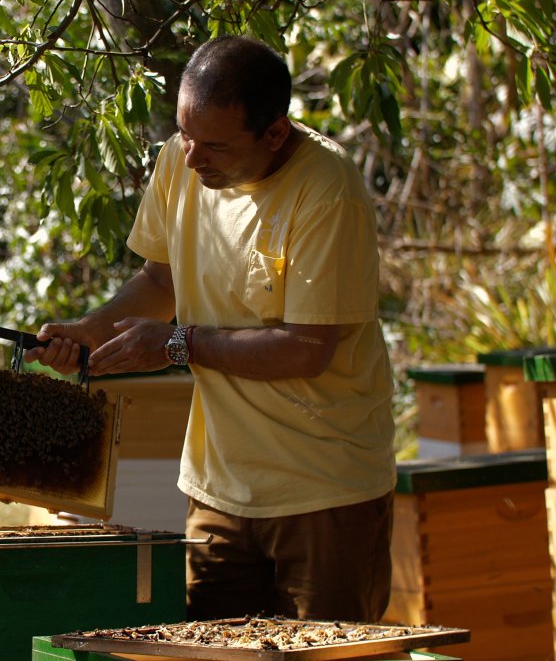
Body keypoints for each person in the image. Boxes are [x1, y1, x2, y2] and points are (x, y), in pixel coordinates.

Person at [24, 35, 396, 623]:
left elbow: (306, 349)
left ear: (274, 134)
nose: (193, 158)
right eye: (186, 135)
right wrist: (90, 331)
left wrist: (176, 345)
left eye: (215, 145)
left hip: (326, 492)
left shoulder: (328, 190)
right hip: (219, 489)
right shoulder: (183, 156)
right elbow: (160, 280)